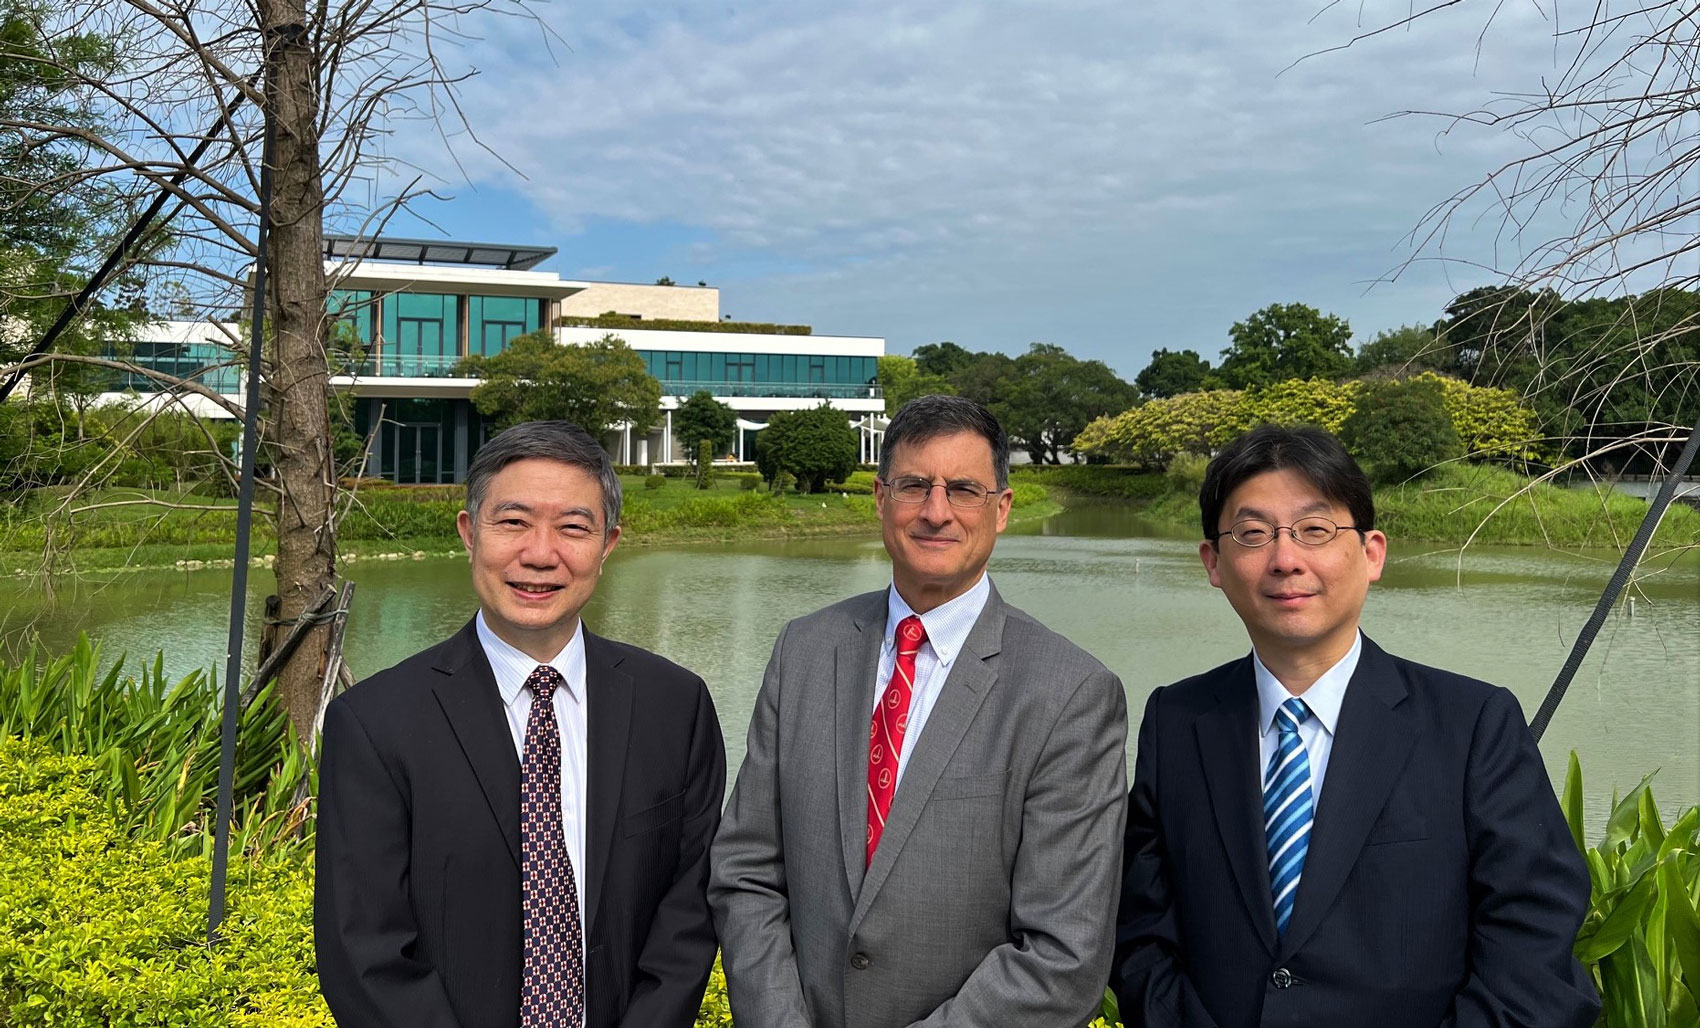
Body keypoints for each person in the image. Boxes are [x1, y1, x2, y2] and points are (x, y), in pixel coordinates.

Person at [1110, 424, 1598, 1028]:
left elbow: (1533, 952)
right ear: (1214, 562)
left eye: (1315, 530)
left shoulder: (1473, 724)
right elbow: (1139, 933)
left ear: (1372, 553)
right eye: (1253, 534)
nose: (1286, 560)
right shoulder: (1178, 720)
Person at [710, 394, 1128, 1028]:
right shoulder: (805, 649)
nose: (937, 512)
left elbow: (1063, 955)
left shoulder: (1070, 693)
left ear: (1003, 509)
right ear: (881, 499)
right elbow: (747, 871)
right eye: (913, 486)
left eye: (963, 489)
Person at [315, 420, 725, 1028]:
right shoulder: (376, 723)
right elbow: (364, 951)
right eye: (512, 522)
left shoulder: (677, 705)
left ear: (608, 544)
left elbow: (686, 918)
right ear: (468, 532)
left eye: (573, 527)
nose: (539, 553)